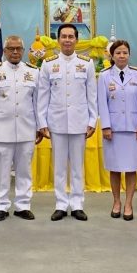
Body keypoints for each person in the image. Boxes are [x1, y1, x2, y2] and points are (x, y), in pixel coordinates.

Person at [37, 23, 97, 221]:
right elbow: (43, 96)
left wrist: (92, 120)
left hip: (80, 122)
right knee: (60, 167)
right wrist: (42, 122)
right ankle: (61, 204)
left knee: (78, 167)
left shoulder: (87, 63)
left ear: (77, 40)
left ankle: (77, 204)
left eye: (71, 36)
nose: (67, 40)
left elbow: (92, 95)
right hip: (57, 122)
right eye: (64, 36)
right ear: (58, 40)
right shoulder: (48, 64)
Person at [0, 35, 42, 220]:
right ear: (5, 51)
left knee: (24, 170)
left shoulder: (33, 72)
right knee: (1, 171)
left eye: (18, 49)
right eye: (11, 49)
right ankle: (1, 206)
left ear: (23, 51)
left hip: (26, 128)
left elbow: (38, 102)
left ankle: (23, 205)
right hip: (1, 129)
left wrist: (40, 127)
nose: (15, 52)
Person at [97, 40, 137, 221]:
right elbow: (102, 103)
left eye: (125, 52)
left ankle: (129, 204)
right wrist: (106, 126)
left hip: (133, 130)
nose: (122, 56)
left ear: (129, 54)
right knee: (115, 168)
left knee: (131, 168)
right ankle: (116, 202)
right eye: (118, 53)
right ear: (112, 55)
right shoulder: (104, 76)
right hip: (113, 130)